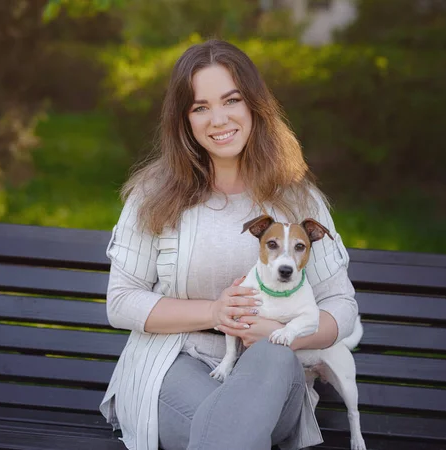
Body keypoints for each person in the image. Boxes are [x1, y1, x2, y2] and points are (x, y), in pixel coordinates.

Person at [99, 39, 358, 450]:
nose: (218, 119)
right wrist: (215, 312)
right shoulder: (153, 196)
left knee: (268, 362)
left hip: (275, 379)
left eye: (231, 100)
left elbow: (341, 305)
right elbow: (121, 301)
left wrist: (284, 333)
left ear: (254, 104)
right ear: (184, 120)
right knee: (229, 432)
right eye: (200, 107)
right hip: (170, 365)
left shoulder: (298, 200)